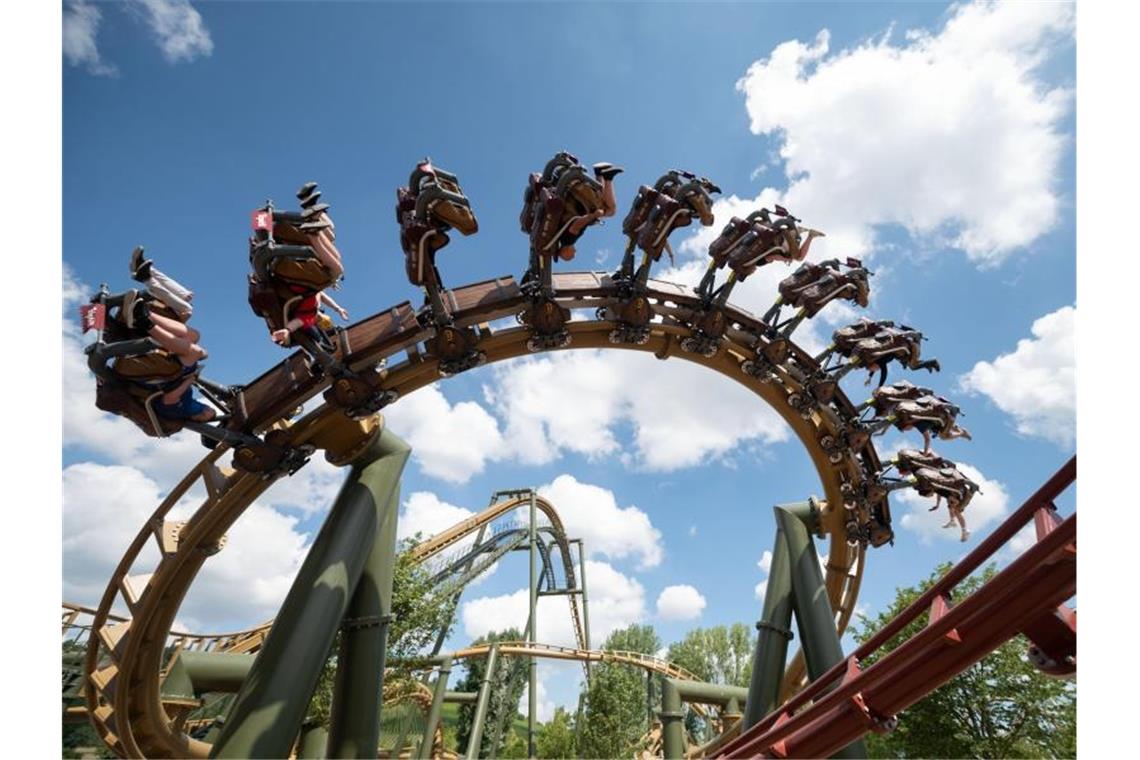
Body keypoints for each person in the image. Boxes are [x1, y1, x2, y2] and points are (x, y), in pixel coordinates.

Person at [126, 247, 214, 422]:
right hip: (173, 374)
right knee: (189, 308)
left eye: (209, 413)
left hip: (166, 378)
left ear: (201, 417)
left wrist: (192, 378)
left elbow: (169, 399)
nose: (210, 409)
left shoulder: (183, 411)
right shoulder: (189, 405)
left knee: (188, 314)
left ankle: (145, 313)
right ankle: (146, 281)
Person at [553, 163, 623, 261]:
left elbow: (575, 225)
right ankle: (599, 173)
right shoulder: (561, 238)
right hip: (577, 202)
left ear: (564, 253)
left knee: (610, 210)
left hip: (578, 199)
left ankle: (608, 177)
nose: (575, 253)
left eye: (571, 257)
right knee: (604, 208)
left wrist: (593, 216)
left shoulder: (567, 241)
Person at [269, 287, 349, 346]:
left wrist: (339, 309)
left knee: (326, 322)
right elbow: (297, 322)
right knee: (317, 336)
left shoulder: (315, 293)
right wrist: (287, 330)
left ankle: (330, 332)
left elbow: (324, 297)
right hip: (304, 323)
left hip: (309, 306)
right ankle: (321, 344)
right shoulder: (307, 317)